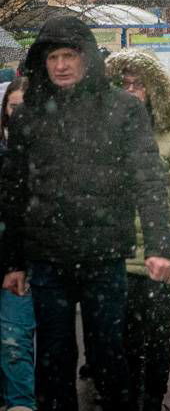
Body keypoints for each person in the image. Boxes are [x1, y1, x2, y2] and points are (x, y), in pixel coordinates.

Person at [0, 16, 170, 411]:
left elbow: (148, 180)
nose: (60, 65)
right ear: (42, 62)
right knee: (54, 360)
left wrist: (160, 246)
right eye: (53, 57)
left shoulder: (123, 110)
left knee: (109, 357)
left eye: (69, 56)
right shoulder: (29, 116)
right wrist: (12, 262)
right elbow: (14, 191)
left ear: (86, 59)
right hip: (47, 259)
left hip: (104, 253)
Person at [105, 50, 170, 411]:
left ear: (153, 90)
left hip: (160, 254)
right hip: (113, 253)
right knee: (120, 340)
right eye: (124, 84)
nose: (131, 91)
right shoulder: (103, 130)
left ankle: (151, 398)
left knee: (157, 335)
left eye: (138, 85)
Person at [0, 77, 36, 411]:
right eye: (14, 106)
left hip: (30, 260)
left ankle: (21, 402)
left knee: (17, 339)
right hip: (10, 257)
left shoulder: (42, 153)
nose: (19, 113)